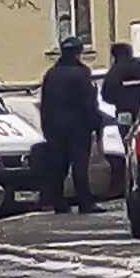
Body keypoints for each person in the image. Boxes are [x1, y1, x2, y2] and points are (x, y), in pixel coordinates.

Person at [38, 36, 105, 214]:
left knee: (58, 165)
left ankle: (58, 202)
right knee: (79, 165)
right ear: (78, 53)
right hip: (78, 126)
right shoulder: (82, 73)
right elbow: (88, 102)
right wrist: (95, 124)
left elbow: (44, 103)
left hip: (54, 126)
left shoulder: (51, 74)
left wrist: (45, 126)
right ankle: (85, 202)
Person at [102, 42, 140, 144]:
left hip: (123, 111)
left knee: (126, 138)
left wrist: (120, 101)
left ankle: (128, 153)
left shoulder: (114, 72)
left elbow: (106, 94)